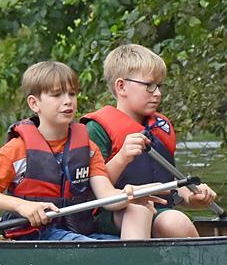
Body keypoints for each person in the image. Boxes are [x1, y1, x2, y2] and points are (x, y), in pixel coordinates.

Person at [0, 61, 159, 241]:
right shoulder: (17, 150)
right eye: (57, 95)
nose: (68, 101)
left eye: (72, 94)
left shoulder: (88, 149)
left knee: (121, 239)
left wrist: (127, 194)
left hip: (77, 231)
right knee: (97, 249)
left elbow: (108, 197)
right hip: (35, 235)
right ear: (34, 103)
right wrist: (21, 205)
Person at [80, 44, 219, 239]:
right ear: (121, 86)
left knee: (174, 220)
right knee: (164, 218)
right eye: (149, 85)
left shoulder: (160, 127)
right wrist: (122, 157)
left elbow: (169, 182)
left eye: (159, 86)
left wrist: (191, 196)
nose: (158, 93)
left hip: (159, 209)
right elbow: (89, 190)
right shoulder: (96, 129)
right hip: (113, 212)